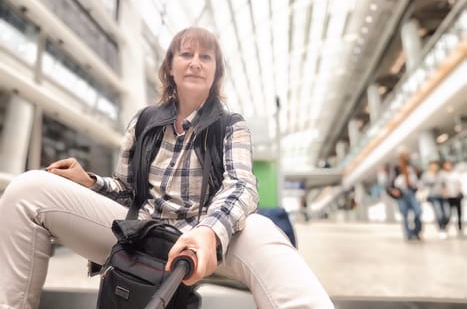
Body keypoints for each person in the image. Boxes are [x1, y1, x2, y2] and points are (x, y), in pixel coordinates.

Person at [0, 27, 334, 309]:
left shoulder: (231, 125)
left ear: (215, 72)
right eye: (186, 54)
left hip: (202, 241)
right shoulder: (144, 122)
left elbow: (241, 186)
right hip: (141, 233)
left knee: (263, 231)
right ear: (170, 67)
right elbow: (126, 191)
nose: (195, 63)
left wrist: (207, 231)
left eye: (206, 57)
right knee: (27, 189)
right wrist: (87, 181)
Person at [386, 151, 423, 240]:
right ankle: (408, 234)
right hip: (402, 193)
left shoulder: (412, 167)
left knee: (418, 211)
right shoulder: (395, 168)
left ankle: (416, 232)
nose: (405, 158)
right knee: (405, 214)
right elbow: (390, 182)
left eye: (406, 156)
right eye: (403, 156)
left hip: (412, 192)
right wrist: (392, 190)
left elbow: (419, 177)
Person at [420, 161, 449, 239]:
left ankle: (444, 226)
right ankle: (441, 229)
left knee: (447, 214)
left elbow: (445, 184)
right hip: (433, 196)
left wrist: (446, 191)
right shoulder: (426, 175)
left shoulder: (441, 174)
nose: (434, 167)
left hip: (443, 196)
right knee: (438, 213)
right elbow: (422, 186)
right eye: (433, 165)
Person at [440, 160, 463, 236]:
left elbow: (459, 183)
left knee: (459, 214)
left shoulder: (455, 174)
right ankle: (445, 229)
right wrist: (444, 192)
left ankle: (460, 229)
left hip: (456, 196)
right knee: (448, 214)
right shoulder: (442, 174)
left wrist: (459, 191)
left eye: (449, 165)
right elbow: (442, 185)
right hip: (448, 197)